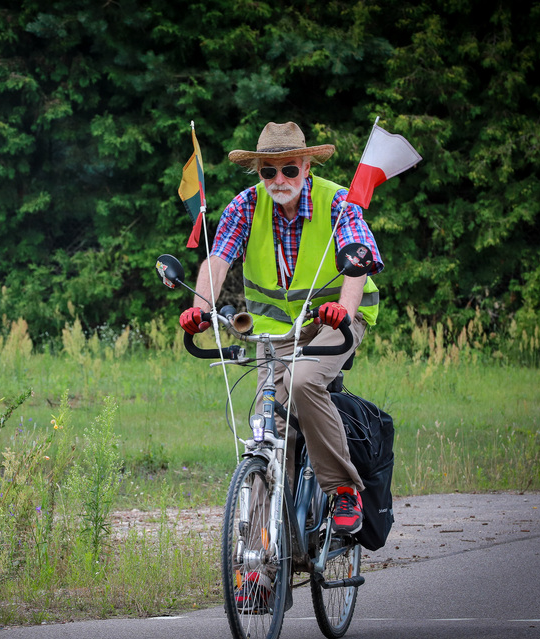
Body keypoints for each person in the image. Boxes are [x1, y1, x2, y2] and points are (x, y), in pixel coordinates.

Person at [178, 121, 384, 608]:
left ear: (306, 166)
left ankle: (344, 491)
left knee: (307, 380)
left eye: (289, 168)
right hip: (277, 334)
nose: (279, 178)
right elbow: (218, 258)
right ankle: (265, 565)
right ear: (259, 171)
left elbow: (361, 260)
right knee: (268, 429)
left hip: (334, 319)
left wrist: (345, 311)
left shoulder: (337, 203)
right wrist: (203, 307)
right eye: (269, 170)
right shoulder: (246, 205)